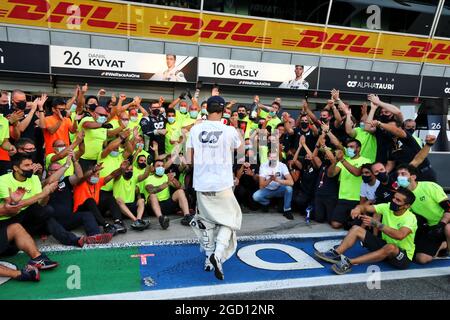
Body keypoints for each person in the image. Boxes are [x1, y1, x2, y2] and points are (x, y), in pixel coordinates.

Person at [187, 95, 242, 280]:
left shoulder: (195, 129)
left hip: (202, 183)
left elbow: (188, 158)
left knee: (206, 223)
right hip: (222, 183)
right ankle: (218, 254)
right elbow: (238, 147)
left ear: (206, 109)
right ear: (223, 110)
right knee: (230, 219)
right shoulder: (229, 130)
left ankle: (208, 261)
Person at [315, 188, 417, 275]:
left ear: (407, 206)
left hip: (402, 256)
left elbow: (400, 235)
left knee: (391, 247)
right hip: (385, 245)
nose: (394, 201)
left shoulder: (410, 218)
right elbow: (364, 207)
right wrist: (357, 209)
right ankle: (336, 253)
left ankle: (350, 262)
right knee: (356, 229)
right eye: (394, 197)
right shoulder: (387, 207)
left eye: (398, 200)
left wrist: (377, 224)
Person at [396, 164, 450, 263]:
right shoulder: (404, 196)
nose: (399, 177)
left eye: (403, 174)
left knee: (448, 229)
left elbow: (448, 208)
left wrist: (441, 224)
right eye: (398, 174)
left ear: (413, 177)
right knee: (421, 259)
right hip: (431, 228)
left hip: (445, 222)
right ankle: (444, 244)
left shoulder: (429, 186)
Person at [327, 139, 370, 229]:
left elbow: (357, 172)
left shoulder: (366, 161)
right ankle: (348, 220)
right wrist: (335, 161)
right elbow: (330, 174)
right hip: (343, 198)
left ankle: (350, 221)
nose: (349, 149)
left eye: (351, 147)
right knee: (335, 224)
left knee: (354, 226)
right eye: (348, 147)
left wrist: (342, 159)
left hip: (358, 200)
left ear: (358, 149)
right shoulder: (343, 161)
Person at [143, 159, 193, 229]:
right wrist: (167, 183)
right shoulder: (148, 178)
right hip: (153, 207)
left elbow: (180, 186)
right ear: (153, 168)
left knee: (180, 192)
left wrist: (173, 180)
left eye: (162, 166)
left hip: (167, 205)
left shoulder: (166, 176)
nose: (161, 167)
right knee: (152, 196)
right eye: (158, 166)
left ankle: (187, 216)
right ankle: (161, 219)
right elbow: (151, 190)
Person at [253, 150, 294, 219]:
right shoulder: (263, 166)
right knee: (256, 196)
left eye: (275, 157)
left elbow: (291, 182)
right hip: (267, 189)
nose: (273, 159)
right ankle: (266, 203)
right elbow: (261, 185)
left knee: (289, 189)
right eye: (271, 157)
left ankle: (287, 210)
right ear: (268, 158)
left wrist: (277, 180)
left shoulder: (282, 165)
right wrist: (270, 179)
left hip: (279, 188)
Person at [113, 162, 151, 231]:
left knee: (141, 200)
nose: (129, 171)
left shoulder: (134, 178)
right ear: (123, 170)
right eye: (127, 170)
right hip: (119, 208)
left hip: (131, 206)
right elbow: (117, 174)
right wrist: (121, 168)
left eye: (131, 170)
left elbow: (145, 175)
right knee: (118, 199)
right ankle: (135, 220)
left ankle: (139, 220)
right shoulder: (118, 178)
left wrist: (148, 165)